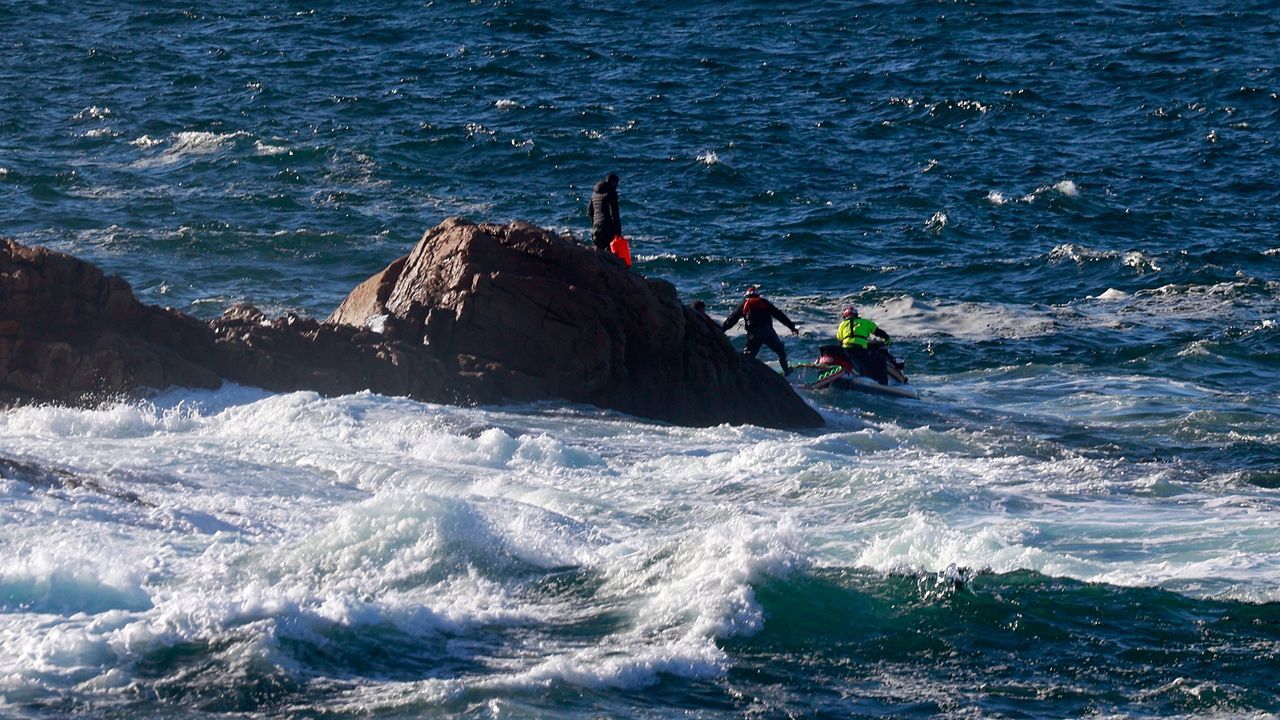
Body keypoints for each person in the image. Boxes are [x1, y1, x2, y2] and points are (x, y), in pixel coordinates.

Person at [722, 286, 799, 375]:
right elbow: (779, 315)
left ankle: (742, 374)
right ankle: (786, 371)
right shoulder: (764, 302)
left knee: (748, 356)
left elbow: (731, 319)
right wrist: (791, 327)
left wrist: (722, 330)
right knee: (780, 351)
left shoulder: (744, 304)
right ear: (757, 295)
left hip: (754, 335)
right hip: (768, 333)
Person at [836, 305, 906, 384]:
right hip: (859, 351)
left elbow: (840, 339)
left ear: (845, 316)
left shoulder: (842, 325)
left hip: (847, 350)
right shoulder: (865, 322)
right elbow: (878, 332)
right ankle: (882, 383)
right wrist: (887, 339)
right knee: (880, 361)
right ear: (857, 315)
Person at [587, 173, 621, 252]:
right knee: (610, 256)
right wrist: (618, 234)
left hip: (596, 228)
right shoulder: (611, 194)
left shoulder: (594, 195)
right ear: (613, 183)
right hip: (606, 229)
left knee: (599, 253)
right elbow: (615, 214)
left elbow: (589, 211)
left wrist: (595, 223)